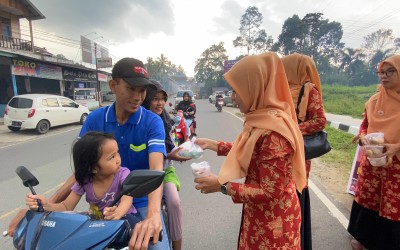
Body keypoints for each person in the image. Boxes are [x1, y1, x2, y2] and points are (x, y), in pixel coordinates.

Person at [8, 57, 170, 250]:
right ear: (113, 85)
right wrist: (41, 208)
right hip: (100, 209)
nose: (138, 97)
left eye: (142, 90)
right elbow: (82, 170)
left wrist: (153, 216)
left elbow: (156, 169)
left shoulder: (153, 122)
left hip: (141, 202)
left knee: (156, 246)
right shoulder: (94, 119)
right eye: (131, 88)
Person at [194, 52, 307, 249]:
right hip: (259, 215)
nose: (232, 97)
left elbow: (271, 191)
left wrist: (222, 186)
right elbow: (250, 151)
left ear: (254, 88)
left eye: (236, 90)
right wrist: (212, 144)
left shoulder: (274, 132)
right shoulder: (260, 118)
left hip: (274, 224)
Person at [25, 132, 140, 226]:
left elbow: (127, 198)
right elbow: (66, 206)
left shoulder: (123, 174)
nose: (118, 159)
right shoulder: (85, 181)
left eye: (117, 153)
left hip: (124, 217)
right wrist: (46, 205)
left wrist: (118, 212)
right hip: (97, 222)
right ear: (94, 168)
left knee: (138, 235)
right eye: (112, 157)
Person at [347, 54, 400, 250]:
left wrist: (396, 147)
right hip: (373, 162)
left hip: (397, 165)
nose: (384, 76)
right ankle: (363, 239)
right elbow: (365, 124)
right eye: (381, 72)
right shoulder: (374, 100)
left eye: (389, 72)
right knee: (369, 201)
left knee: (392, 206)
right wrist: (363, 136)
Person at [281, 53, 327, 250]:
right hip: (278, 147)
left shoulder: (310, 91)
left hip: (297, 150)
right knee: (278, 187)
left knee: (294, 189)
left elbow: (319, 121)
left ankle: (295, 240)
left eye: (285, 67)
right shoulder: (279, 89)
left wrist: (290, 129)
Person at [142, 80, 191, 250]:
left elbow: (170, 147)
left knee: (174, 203)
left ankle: (177, 246)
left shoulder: (165, 120)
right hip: (142, 174)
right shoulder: (140, 121)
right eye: (155, 99)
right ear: (146, 99)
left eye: (162, 98)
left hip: (165, 171)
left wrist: (181, 152)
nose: (160, 103)